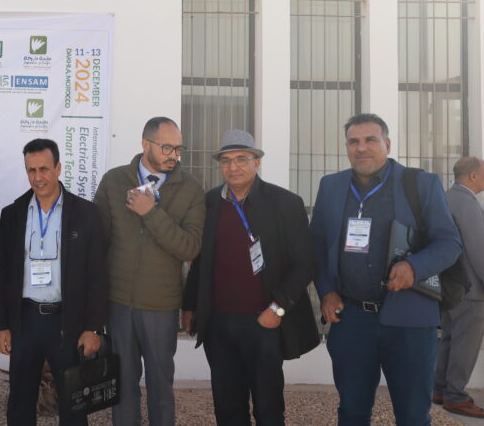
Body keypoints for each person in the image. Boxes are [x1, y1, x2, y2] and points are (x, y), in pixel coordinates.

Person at [311, 113, 462, 426]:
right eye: (353, 142)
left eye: (370, 140)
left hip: (410, 321)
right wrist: (326, 291)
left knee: (412, 416)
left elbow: (450, 243)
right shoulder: (331, 186)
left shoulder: (421, 184)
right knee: (352, 412)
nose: (361, 148)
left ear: (388, 144)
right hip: (352, 320)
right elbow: (318, 246)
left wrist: (414, 267)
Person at [182, 130, 319, 425]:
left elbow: (305, 264)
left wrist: (277, 309)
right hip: (218, 324)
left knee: (268, 409)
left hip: (264, 322)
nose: (233, 167)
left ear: (256, 162)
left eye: (241, 159)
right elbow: (201, 261)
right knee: (227, 409)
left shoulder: (285, 203)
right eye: (226, 160)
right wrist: (190, 305)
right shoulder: (210, 203)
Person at [93, 116, 204, 426]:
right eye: (167, 147)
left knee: (160, 387)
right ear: (145, 144)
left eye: (178, 149)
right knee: (123, 386)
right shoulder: (114, 181)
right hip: (118, 303)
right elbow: (98, 243)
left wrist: (151, 212)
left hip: (161, 306)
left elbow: (190, 248)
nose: (174, 155)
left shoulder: (191, 190)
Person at [0, 138, 108, 426]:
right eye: (31, 170)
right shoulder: (12, 214)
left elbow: (97, 274)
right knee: (20, 402)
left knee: (74, 406)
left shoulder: (86, 214)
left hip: (67, 322)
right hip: (25, 320)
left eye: (44, 169)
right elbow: (2, 273)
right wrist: (2, 324)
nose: (38, 177)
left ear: (58, 168)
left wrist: (93, 328)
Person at [434, 156, 484, 418]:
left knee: (450, 339)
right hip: (470, 288)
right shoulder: (467, 202)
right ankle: (455, 396)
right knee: (466, 344)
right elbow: (478, 250)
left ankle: (440, 389)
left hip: (450, 286)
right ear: (473, 176)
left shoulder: (447, 197)